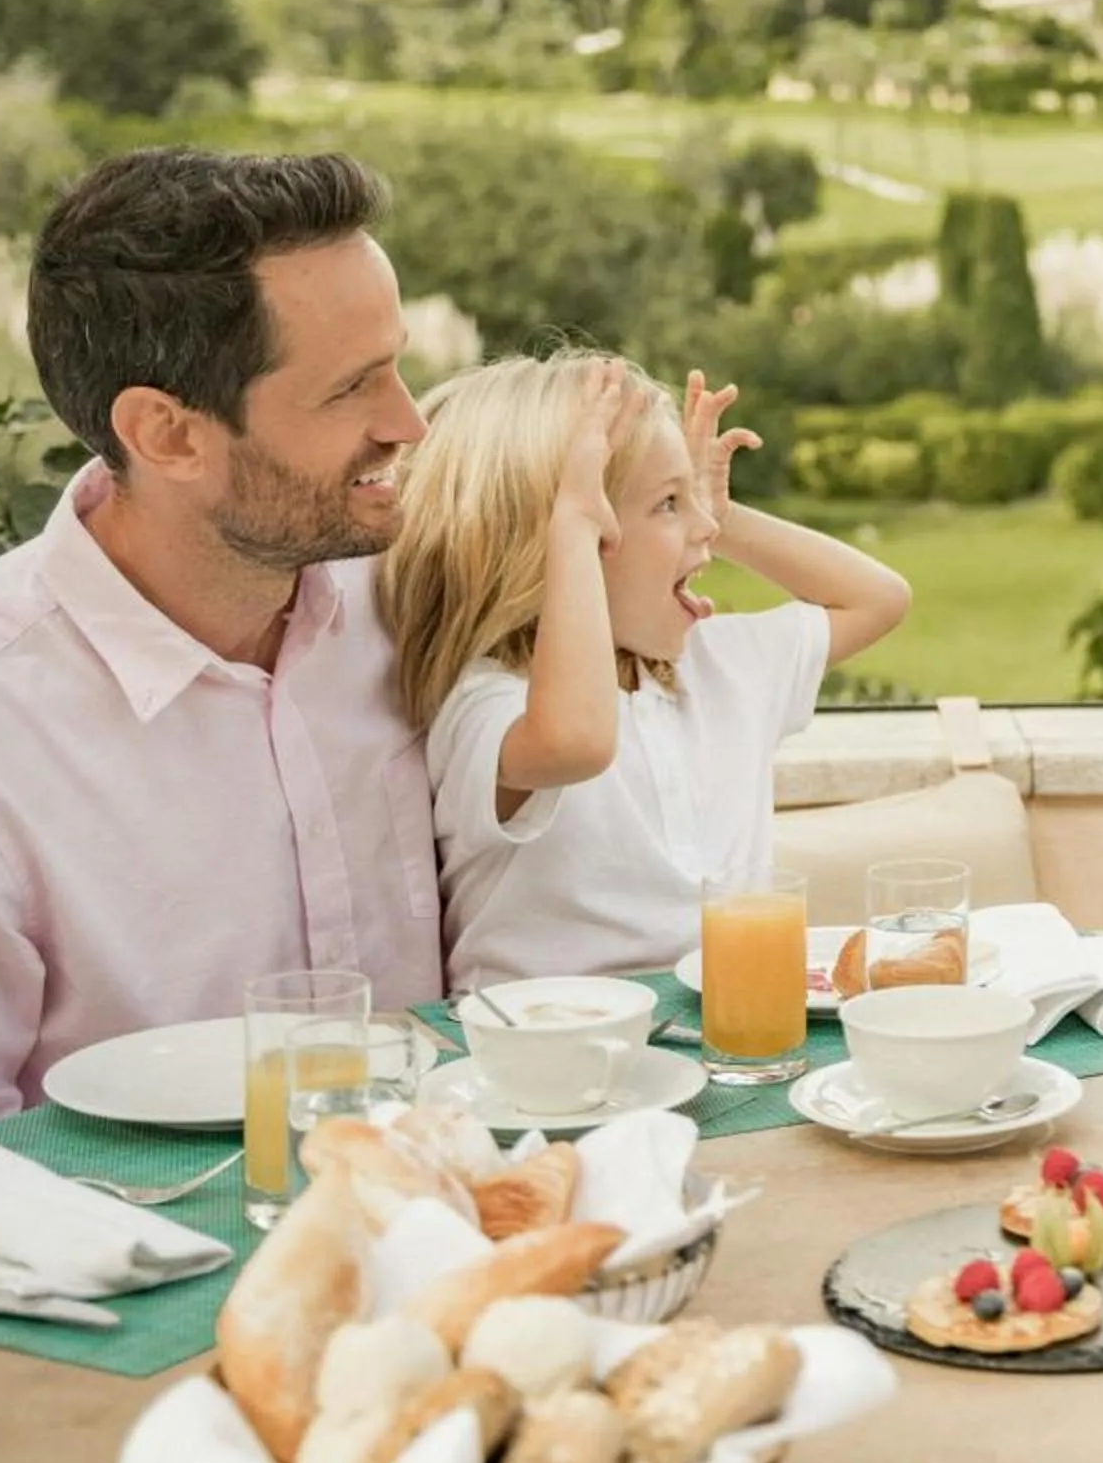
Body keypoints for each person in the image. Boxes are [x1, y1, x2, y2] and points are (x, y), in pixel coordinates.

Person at [0, 150, 442, 1124]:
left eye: (398, 365)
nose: (409, 421)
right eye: (353, 387)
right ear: (168, 434)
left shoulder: (420, 604)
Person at [379, 352, 910, 991]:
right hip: (538, 1066)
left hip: (725, 1046)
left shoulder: (713, 665)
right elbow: (577, 741)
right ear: (550, 544)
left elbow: (878, 599)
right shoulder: (488, 707)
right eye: (666, 504)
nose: (705, 525)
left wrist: (724, 515)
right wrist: (570, 524)